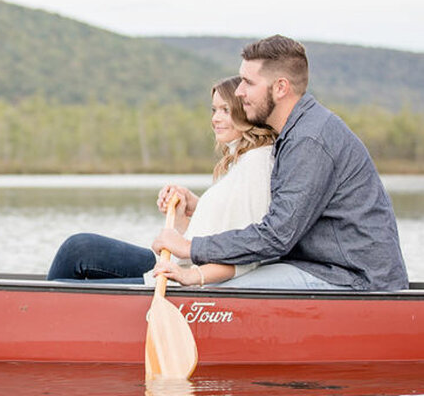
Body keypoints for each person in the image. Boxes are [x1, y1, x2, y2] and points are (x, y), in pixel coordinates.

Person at [152, 34, 409, 291]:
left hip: (354, 280)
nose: (239, 92)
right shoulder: (296, 133)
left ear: (281, 87)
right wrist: (198, 208)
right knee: (218, 283)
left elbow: (277, 235)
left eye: (248, 83)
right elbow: (275, 218)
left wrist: (190, 248)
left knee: (215, 290)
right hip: (322, 268)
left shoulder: (310, 139)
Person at [47, 76, 276, 283]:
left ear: (246, 111)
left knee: (64, 284)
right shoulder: (239, 162)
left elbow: (247, 255)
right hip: (177, 266)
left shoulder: (257, 163)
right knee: (79, 248)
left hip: (185, 280)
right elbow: (204, 240)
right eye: (214, 110)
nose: (215, 119)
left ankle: (42, 315)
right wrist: (181, 213)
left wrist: (191, 276)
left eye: (225, 110)